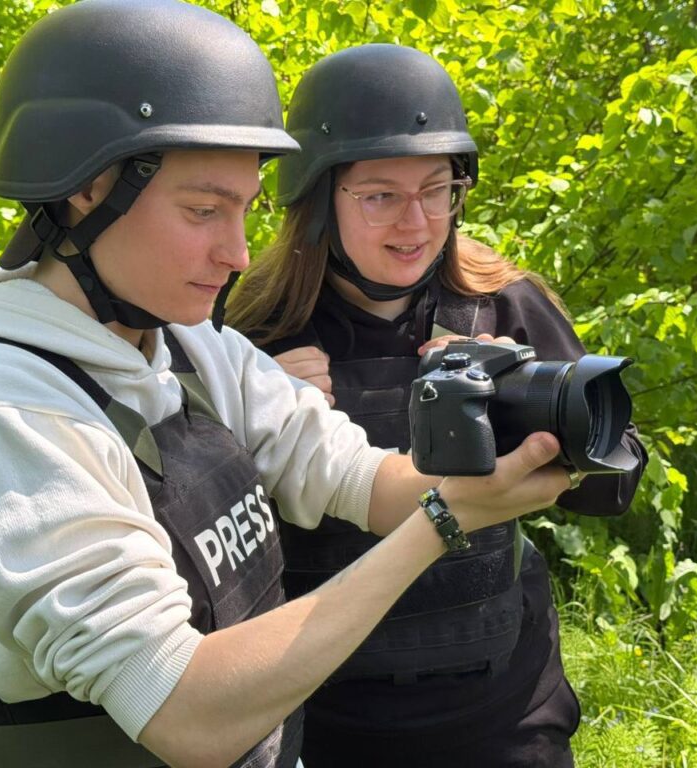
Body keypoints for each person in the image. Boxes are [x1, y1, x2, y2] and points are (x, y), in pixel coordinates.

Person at [0, 6, 573, 768]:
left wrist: (512, 431)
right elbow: (184, 713)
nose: (240, 254)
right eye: (203, 210)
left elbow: (359, 477)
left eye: (243, 211)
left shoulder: (186, 344)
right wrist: (445, 521)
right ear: (88, 190)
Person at [228, 44, 648, 768]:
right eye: (381, 194)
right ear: (319, 201)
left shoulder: (502, 305)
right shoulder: (250, 337)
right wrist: (249, 417)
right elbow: (196, 534)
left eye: (438, 188)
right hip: (323, 714)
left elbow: (620, 483)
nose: (418, 222)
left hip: (501, 708)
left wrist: (527, 407)